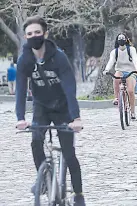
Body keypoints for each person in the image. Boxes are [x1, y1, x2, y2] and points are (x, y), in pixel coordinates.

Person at [15, 15, 85, 206]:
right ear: (25, 37)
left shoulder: (59, 57)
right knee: (36, 141)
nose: (34, 36)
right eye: (29, 34)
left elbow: (70, 88)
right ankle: (44, 179)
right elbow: (21, 90)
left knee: (69, 155)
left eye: (37, 32)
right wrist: (20, 117)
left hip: (63, 108)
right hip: (42, 107)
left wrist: (76, 118)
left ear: (45, 33)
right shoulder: (25, 60)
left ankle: (78, 194)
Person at [103, 33, 137, 120]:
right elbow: (111, 61)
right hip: (120, 70)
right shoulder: (114, 52)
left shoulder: (131, 49)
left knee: (130, 91)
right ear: (117, 41)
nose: (121, 41)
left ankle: (132, 112)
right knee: (116, 78)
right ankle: (116, 98)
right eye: (119, 39)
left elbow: (135, 59)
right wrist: (106, 70)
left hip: (131, 71)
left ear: (126, 40)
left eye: (123, 39)